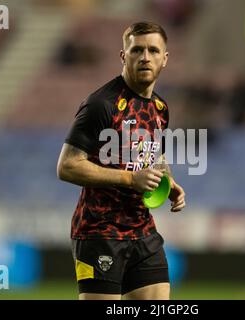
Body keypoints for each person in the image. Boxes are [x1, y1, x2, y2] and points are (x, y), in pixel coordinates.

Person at [57, 21, 186, 300]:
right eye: (137, 49)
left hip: (143, 231)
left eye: (153, 50)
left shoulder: (160, 108)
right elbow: (67, 166)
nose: (145, 57)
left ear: (165, 59)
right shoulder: (101, 104)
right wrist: (130, 179)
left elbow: (154, 153)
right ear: (123, 56)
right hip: (99, 232)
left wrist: (168, 179)